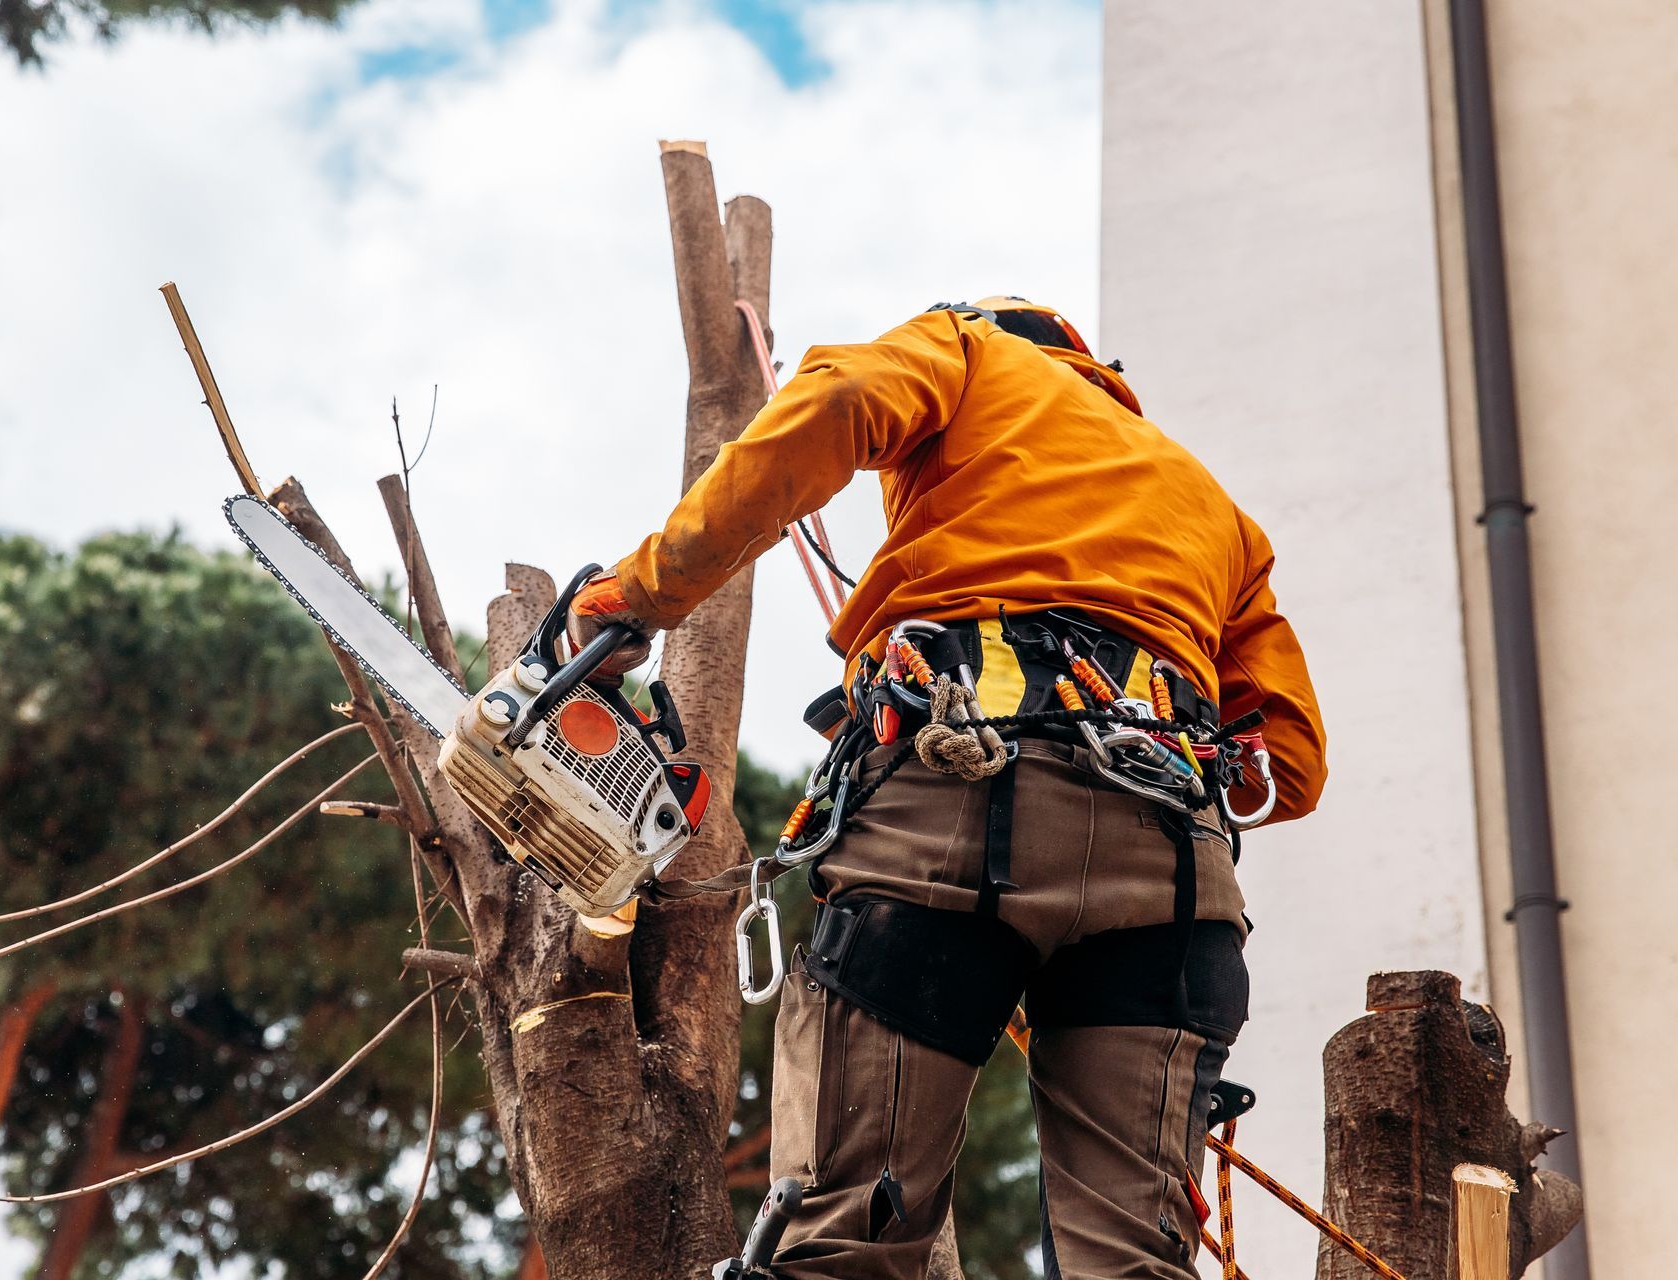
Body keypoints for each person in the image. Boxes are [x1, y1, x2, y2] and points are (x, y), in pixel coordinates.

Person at [568, 297, 1327, 1279]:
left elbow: (837, 398)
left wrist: (637, 593)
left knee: (847, 1242)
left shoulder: (966, 351)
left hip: (950, 816)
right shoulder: (1211, 503)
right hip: (1173, 876)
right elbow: (1291, 765)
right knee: (1136, 1264)